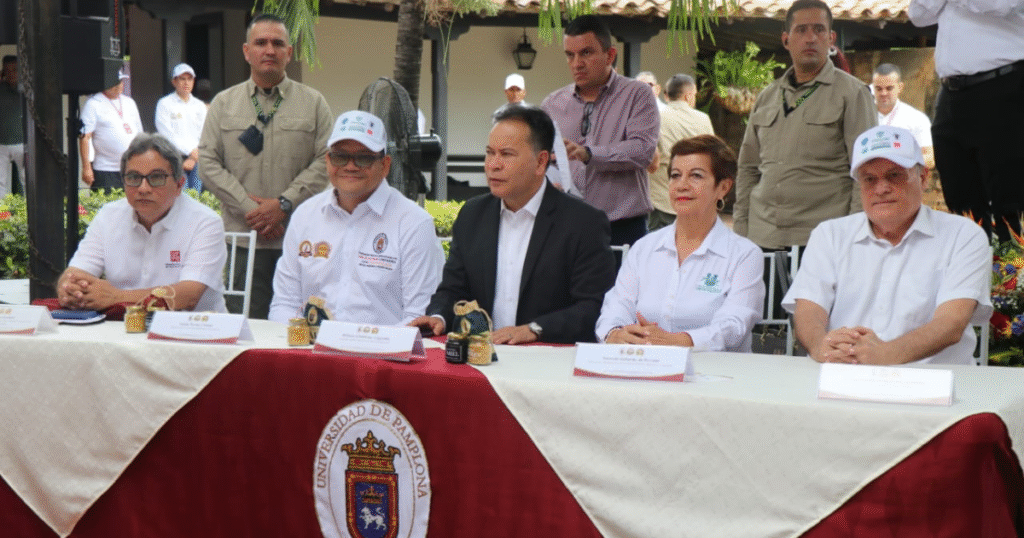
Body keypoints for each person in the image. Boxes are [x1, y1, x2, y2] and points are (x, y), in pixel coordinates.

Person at [782, 126, 991, 365]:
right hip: (843, 374)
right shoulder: (829, 235)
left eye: (895, 175)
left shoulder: (963, 235)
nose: (881, 189)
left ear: (923, 178)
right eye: (869, 179)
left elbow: (952, 322)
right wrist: (821, 346)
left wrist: (885, 355)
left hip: (935, 381)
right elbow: (809, 309)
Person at [409, 105, 616, 344]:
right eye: (490, 153)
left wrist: (535, 329)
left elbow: (594, 306)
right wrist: (438, 317)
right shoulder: (473, 215)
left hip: (550, 356)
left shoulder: (583, 222)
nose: (493, 165)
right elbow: (453, 289)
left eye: (506, 154)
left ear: (541, 162)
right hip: (483, 355)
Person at [199, 13, 333, 319]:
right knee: (244, 327)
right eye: (261, 43)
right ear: (247, 51)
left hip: (300, 242)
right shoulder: (223, 104)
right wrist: (253, 211)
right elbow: (207, 163)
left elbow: (327, 160)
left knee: (302, 326)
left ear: (289, 52)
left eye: (277, 43)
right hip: (243, 241)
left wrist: (284, 204)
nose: (269, 50)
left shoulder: (314, 103)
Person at [268, 111, 444, 325]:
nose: (350, 166)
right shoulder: (304, 216)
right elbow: (285, 303)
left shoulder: (414, 224)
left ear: (385, 165)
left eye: (364, 158)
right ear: (328, 161)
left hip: (383, 345)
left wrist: (362, 343)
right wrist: (301, 342)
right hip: (311, 344)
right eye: (340, 156)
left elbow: (418, 316)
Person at [596, 135, 764, 351]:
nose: (682, 185)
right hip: (644, 363)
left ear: (723, 187)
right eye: (675, 176)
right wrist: (615, 333)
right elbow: (616, 306)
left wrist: (681, 341)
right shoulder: (644, 248)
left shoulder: (744, 255)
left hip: (715, 369)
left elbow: (734, 325)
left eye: (696, 176)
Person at [734, 0, 875, 250]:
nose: (811, 38)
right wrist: (741, 231)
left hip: (822, 240)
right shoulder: (767, 97)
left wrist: (852, 237)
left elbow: (865, 170)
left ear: (831, 38)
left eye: (819, 30)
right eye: (801, 30)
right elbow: (748, 168)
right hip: (762, 236)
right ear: (786, 40)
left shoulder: (852, 94)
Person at [57, 133, 227, 312]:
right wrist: (70, 289)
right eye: (133, 178)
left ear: (179, 184)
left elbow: (187, 296)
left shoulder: (205, 222)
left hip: (193, 326)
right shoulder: (108, 216)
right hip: (124, 325)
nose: (143, 188)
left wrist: (116, 297)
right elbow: (76, 273)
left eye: (156, 178)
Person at [910, 0, 1024, 241]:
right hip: (951, 92)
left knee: (1007, 197)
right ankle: (973, 258)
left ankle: (1012, 263)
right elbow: (918, 14)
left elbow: (999, 5)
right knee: (959, 195)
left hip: (1002, 86)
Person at [541, 15, 659, 247]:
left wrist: (588, 153)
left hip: (622, 228)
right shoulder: (552, 104)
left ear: (610, 55)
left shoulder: (637, 94)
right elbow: (543, 159)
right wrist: (547, 180)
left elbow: (643, 150)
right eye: (570, 55)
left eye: (586, 53)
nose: (577, 64)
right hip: (565, 223)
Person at [648, 74, 715, 231]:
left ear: (667, 95)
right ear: (688, 95)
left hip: (662, 197)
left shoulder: (655, 117)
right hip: (693, 198)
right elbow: (713, 156)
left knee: (658, 244)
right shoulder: (703, 119)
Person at [79, 72, 144, 192]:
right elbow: (84, 137)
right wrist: (86, 167)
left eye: (120, 82)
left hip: (131, 169)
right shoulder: (93, 104)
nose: (118, 85)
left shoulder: (129, 102)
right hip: (106, 170)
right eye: (114, 82)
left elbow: (140, 134)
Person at [155, 63, 208, 192]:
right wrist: (190, 152)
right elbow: (167, 135)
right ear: (174, 82)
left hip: (197, 159)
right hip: (175, 159)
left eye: (189, 79)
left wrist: (194, 157)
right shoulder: (165, 104)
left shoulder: (199, 105)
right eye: (182, 79)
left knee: (196, 198)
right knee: (179, 197)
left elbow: (205, 133)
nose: (186, 83)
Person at [871, 63, 934, 168]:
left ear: (900, 87)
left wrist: (900, 164)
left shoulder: (917, 118)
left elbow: (929, 158)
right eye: (878, 89)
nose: (883, 93)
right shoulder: (862, 115)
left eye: (889, 88)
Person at [0, 55, 24, 197]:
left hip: (22, 142)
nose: (11, 74)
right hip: (2, 143)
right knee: (0, 182)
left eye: (15, 70)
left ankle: (26, 208)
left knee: (25, 179)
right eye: (7, 71)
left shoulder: (25, 88)